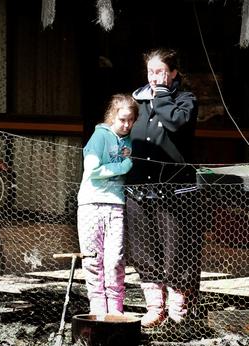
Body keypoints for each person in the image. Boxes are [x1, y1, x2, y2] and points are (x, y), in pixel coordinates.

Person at [125, 48, 201, 327]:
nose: (154, 78)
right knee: (144, 251)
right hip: (138, 189)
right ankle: (155, 307)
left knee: (176, 249)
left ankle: (179, 310)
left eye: (160, 72)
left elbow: (175, 123)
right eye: (150, 72)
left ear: (173, 73)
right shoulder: (137, 99)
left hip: (174, 189)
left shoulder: (185, 100)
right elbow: (122, 128)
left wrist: (162, 96)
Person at [77, 94, 138, 315]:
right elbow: (91, 169)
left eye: (131, 120)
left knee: (115, 259)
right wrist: (123, 168)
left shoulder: (129, 139)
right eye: (122, 119)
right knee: (93, 258)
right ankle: (97, 309)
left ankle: (115, 310)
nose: (126, 125)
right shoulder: (100, 137)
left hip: (116, 204)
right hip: (91, 203)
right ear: (112, 116)